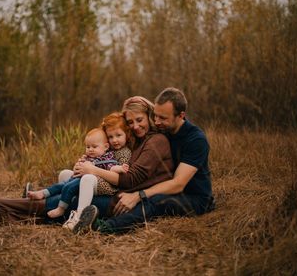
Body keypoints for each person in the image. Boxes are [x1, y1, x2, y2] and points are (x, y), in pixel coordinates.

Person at [0, 97, 174, 227]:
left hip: (120, 201)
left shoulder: (157, 141)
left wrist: (92, 170)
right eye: (131, 122)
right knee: (63, 194)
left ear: (149, 116)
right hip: (115, 194)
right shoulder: (135, 142)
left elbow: (131, 179)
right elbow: (110, 155)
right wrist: (88, 162)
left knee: (60, 202)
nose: (136, 126)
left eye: (140, 120)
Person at [74, 87, 215, 234]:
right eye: (155, 116)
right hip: (162, 187)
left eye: (163, 118)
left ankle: (103, 227)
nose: (157, 121)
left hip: (193, 197)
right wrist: (89, 160)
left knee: (156, 201)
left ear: (181, 116)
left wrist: (139, 194)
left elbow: (178, 184)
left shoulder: (195, 139)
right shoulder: (160, 130)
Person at [27, 127, 125, 219]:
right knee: (60, 185)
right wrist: (77, 166)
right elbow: (78, 168)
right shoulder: (89, 157)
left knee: (67, 187)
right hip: (78, 178)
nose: (90, 149)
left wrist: (120, 168)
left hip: (89, 182)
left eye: (94, 147)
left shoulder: (106, 158)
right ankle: (42, 193)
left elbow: (112, 167)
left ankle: (61, 209)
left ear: (106, 147)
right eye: (88, 146)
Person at [62, 112, 132, 231]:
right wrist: (79, 166)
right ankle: (64, 210)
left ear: (127, 134)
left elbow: (117, 176)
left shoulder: (125, 152)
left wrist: (91, 170)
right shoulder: (105, 147)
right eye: (110, 137)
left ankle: (79, 218)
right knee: (65, 174)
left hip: (108, 185)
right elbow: (92, 160)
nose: (114, 140)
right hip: (95, 178)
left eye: (118, 135)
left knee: (87, 178)